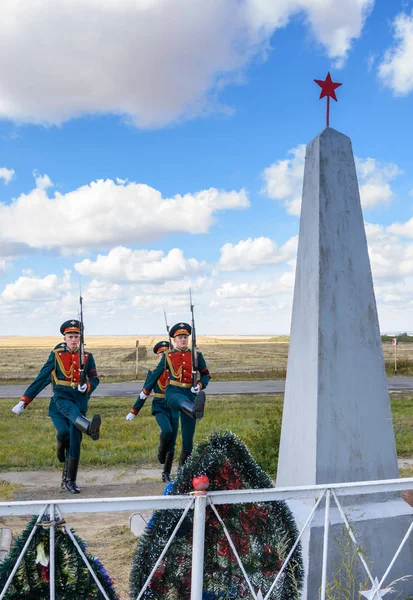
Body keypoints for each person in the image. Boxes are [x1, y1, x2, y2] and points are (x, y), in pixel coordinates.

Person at [11, 320, 100, 494]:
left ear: (80, 338)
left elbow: (95, 379)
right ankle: (88, 428)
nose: (74, 340)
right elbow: (41, 378)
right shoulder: (57, 355)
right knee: (65, 432)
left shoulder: (87, 356)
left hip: (80, 400)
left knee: (75, 441)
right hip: (62, 398)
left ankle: (69, 481)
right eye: (70, 337)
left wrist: (87, 386)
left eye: (76, 337)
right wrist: (24, 401)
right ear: (65, 338)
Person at [138, 322, 211, 467]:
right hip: (173, 393)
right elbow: (155, 375)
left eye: (185, 337)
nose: (183, 340)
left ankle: (182, 474)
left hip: (191, 394)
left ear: (188, 338)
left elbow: (206, 375)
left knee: (188, 441)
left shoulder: (196, 355)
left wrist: (200, 385)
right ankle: (194, 410)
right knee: (180, 401)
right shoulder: (168, 356)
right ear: (174, 340)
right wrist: (144, 393)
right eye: (180, 337)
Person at [126, 341, 178, 482]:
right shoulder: (153, 373)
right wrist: (134, 410)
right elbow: (145, 392)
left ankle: (166, 473)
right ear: (158, 357)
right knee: (167, 430)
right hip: (160, 405)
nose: (164, 356)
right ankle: (161, 450)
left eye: (167, 353)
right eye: (162, 354)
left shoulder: (176, 371)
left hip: (174, 407)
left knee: (172, 441)